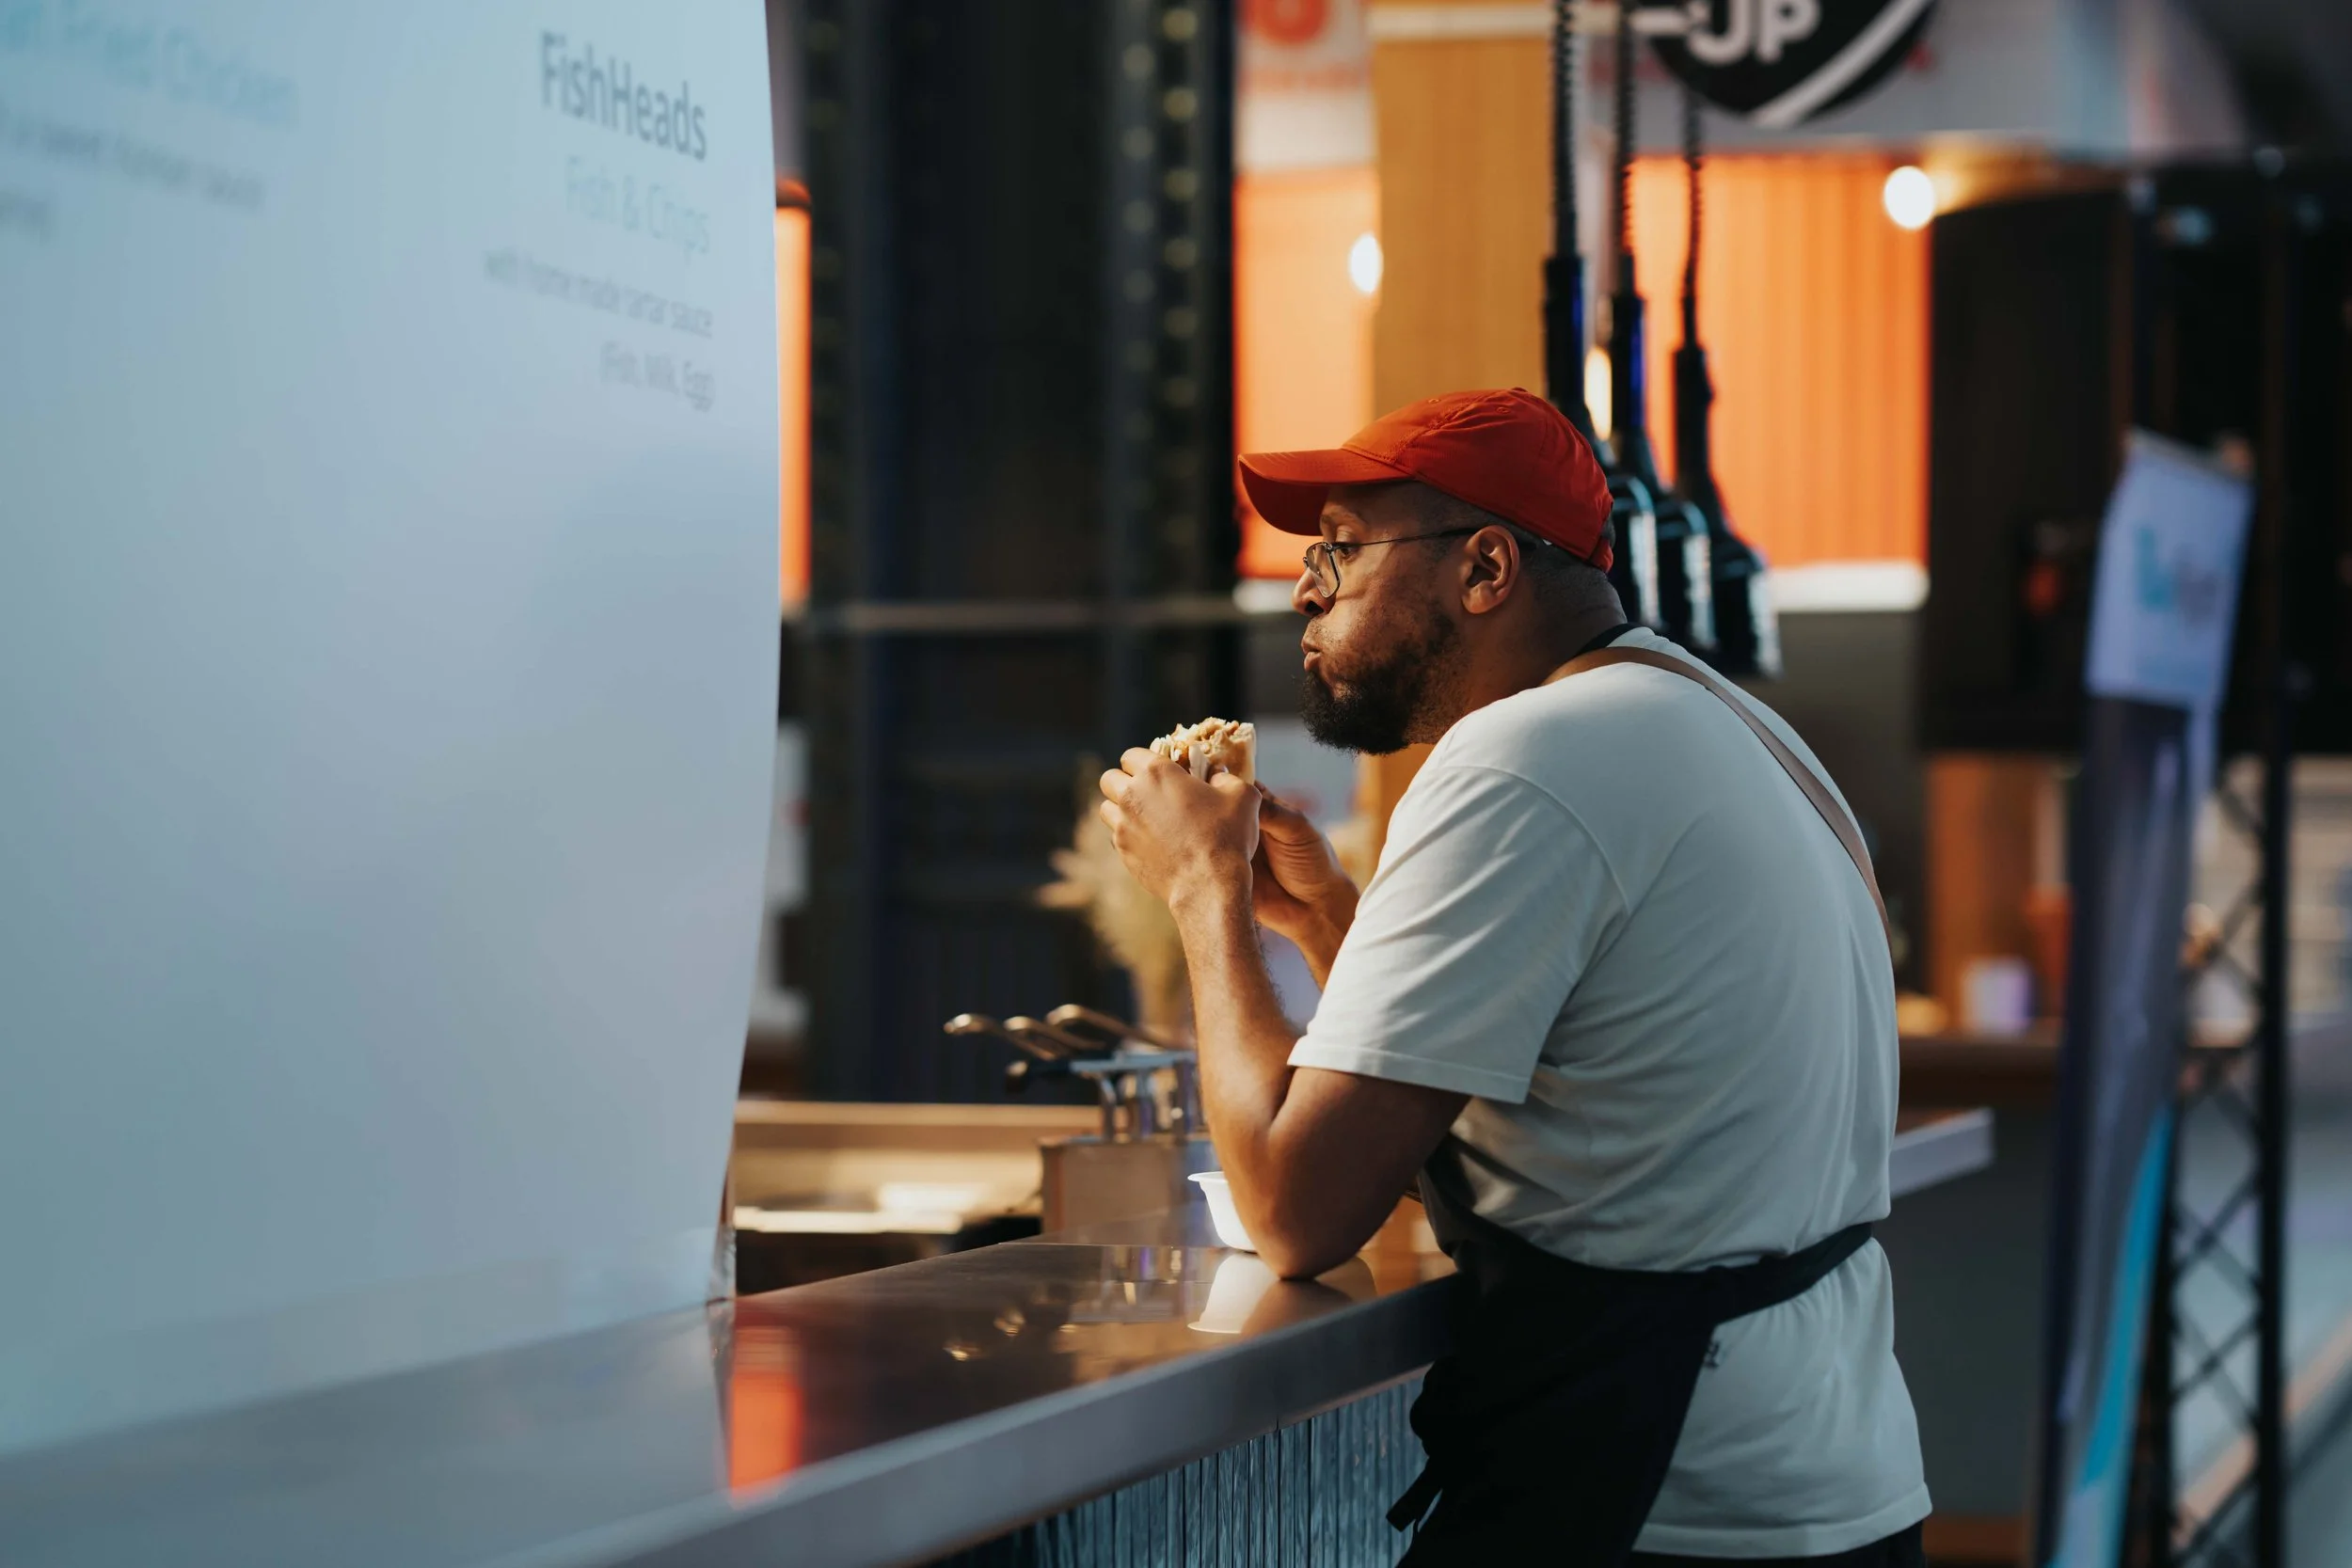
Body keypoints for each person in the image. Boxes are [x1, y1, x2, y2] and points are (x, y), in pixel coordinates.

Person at [1095, 388, 1929, 1567]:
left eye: (1338, 543)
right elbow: (1522, 1078)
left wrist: (1199, 892)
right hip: (1821, 1475)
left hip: (1657, 1498)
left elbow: (1296, 1209)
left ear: (1485, 566)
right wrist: (1328, 916)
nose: (1303, 586)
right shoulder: (1727, 719)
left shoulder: (1524, 754)